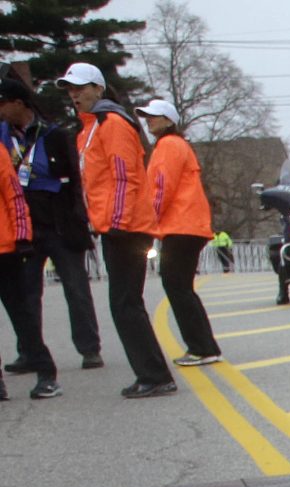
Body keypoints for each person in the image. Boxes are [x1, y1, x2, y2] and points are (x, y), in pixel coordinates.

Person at [63, 63, 171, 398]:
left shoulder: (112, 123)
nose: (74, 94)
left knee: (125, 304)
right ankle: (152, 374)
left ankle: (155, 375)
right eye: (70, 89)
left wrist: (118, 223)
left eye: (81, 88)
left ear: (99, 88)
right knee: (124, 304)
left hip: (126, 227)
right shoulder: (91, 128)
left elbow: (125, 176)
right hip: (114, 225)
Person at [2, 75, 101, 374]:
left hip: (60, 223)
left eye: (2, 104)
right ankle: (30, 352)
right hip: (25, 227)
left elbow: (76, 181)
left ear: (19, 103)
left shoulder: (54, 134)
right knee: (26, 294)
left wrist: (80, 219)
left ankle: (89, 348)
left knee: (76, 289)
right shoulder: (3, 137)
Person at [140, 99, 219, 369]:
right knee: (181, 287)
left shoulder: (169, 145)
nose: (149, 120)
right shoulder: (175, 145)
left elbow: (162, 186)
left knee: (177, 286)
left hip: (181, 225)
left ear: (169, 120)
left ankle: (202, 348)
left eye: (154, 116)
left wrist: (149, 221)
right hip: (187, 225)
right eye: (147, 116)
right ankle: (205, 346)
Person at [0, 76, 61, 397]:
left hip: (5, 248)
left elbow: (14, 196)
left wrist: (23, 237)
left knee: (22, 315)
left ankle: (46, 373)